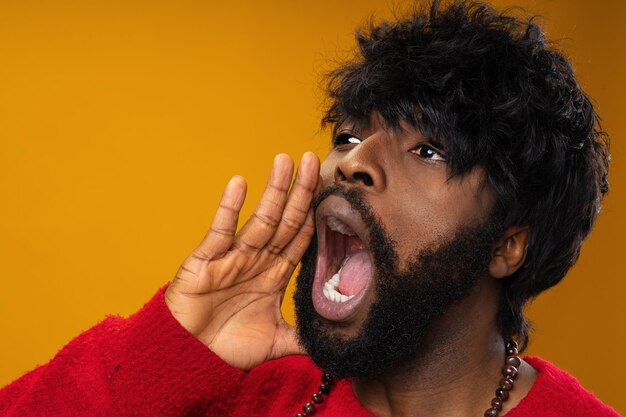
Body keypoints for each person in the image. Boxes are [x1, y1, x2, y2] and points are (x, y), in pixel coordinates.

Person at [0, 1, 620, 416]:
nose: (348, 162)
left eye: (427, 150)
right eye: (348, 137)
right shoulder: (239, 382)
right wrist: (165, 348)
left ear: (507, 245)